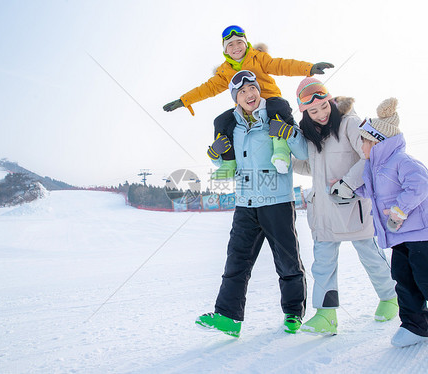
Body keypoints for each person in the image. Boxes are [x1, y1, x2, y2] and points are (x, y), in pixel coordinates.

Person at [195, 70, 309, 337]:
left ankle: (294, 313)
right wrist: (215, 156)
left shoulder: (275, 115)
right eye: (242, 91)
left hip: (277, 201)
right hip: (245, 203)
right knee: (236, 261)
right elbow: (229, 164)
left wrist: (289, 133)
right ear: (236, 98)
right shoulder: (231, 125)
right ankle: (228, 318)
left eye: (252, 89)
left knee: (287, 261)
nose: (249, 94)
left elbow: (303, 152)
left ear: (259, 91)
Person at [356, 97, 428, 347]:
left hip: (420, 231)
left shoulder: (401, 160)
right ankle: (415, 326)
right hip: (399, 234)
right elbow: (373, 193)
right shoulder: (374, 168)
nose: (362, 146)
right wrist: (348, 190)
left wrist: (400, 209)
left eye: (364, 140)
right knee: (403, 280)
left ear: (378, 142)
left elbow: (418, 185)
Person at [292, 77, 398, 335]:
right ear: (305, 112)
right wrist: (285, 162)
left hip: (353, 207)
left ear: (330, 101)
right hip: (324, 212)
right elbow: (311, 168)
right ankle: (326, 315)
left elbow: (369, 156)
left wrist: (348, 183)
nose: (320, 114)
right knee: (323, 264)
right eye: (313, 111)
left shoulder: (350, 124)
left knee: (370, 256)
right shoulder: (310, 135)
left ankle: (391, 298)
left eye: (324, 107)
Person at [163, 25, 333, 179]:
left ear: (246, 43)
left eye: (239, 42)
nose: (236, 47)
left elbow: (282, 65)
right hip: (246, 108)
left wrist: (308, 68)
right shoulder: (224, 72)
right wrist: (183, 100)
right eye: (230, 45)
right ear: (225, 50)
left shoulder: (258, 58)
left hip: (270, 100)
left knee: (279, 108)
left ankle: (280, 152)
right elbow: (207, 88)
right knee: (221, 121)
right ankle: (229, 162)